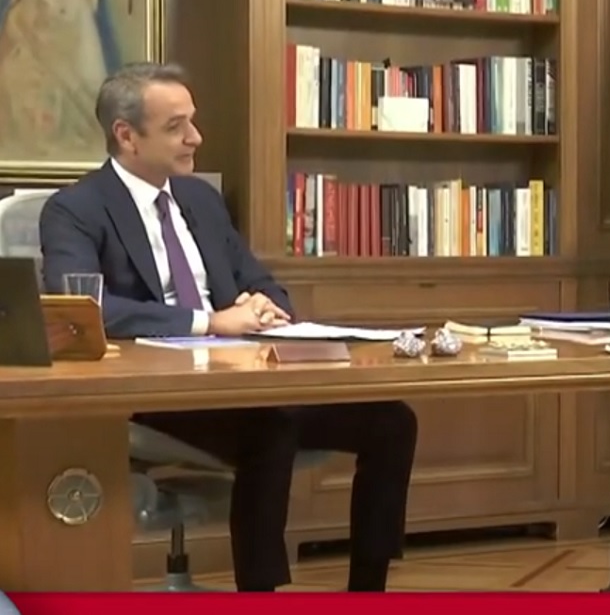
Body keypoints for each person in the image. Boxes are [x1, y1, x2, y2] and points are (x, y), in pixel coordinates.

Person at [38, 61, 419, 592]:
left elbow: (260, 280)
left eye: (192, 121)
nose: (196, 137)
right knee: (272, 423)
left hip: (243, 379)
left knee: (391, 421)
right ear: (126, 135)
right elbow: (83, 309)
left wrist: (267, 306)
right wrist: (209, 321)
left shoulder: (201, 199)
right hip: (157, 398)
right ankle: (261, 593)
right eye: (176, 127)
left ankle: (367, 591)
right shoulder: (75, 209)